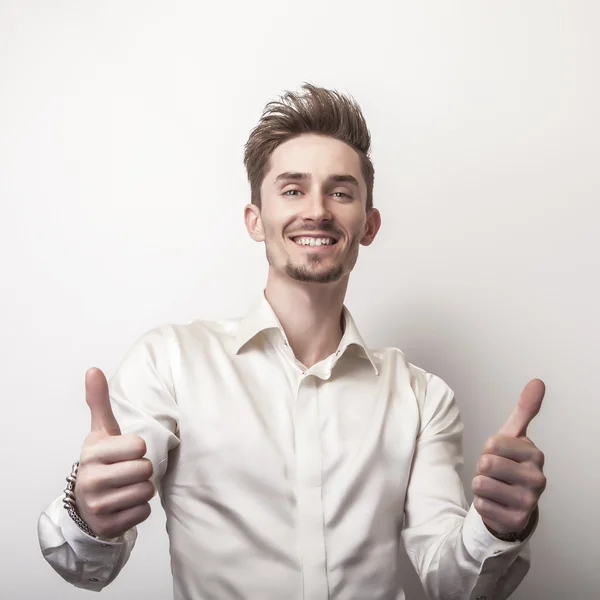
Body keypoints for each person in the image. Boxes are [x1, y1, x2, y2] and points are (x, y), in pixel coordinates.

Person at [38, 83, 547, 600]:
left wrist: (499, 527)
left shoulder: (423, 399)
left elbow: (456, 584)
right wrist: (86, 510)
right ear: (255, 221)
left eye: (341, 192)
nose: (318, 210)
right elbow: (86, 567)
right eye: (292, 189)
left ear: (368, 225)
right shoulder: (169, 364)